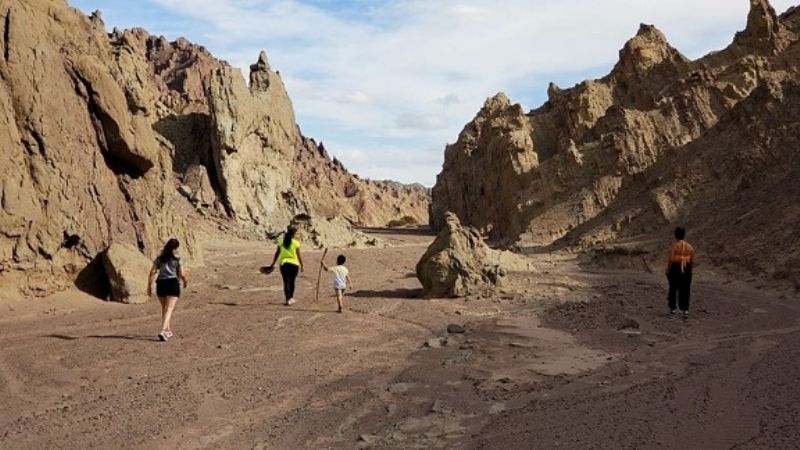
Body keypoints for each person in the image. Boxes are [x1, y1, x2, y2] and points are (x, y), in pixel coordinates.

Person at [147, 238, 188, 341]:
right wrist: (185, 282)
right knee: (169, 309)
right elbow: (182, 274)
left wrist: (149, 286)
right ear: (175, 248)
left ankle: (168, 330)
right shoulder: (177, 259)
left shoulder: (159, 259)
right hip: (172, 283)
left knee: (165, 309)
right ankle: (163, 331)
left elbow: (152, 272)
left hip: (161, 284)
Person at [267, 226, 304, 305]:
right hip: (294, 264)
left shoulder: (281, 241)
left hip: (284, 264)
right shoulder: (296, 243)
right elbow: (298, 255)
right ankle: (291, 298)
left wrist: (273, 264)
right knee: (292, 282)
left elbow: (277, 254)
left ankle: (287, 299)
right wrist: (302, 265)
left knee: (286, 281)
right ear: (293, 234)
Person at [665, 226, 695, 318]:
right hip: (686, 267)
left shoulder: (674, 246)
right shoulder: (689, 247)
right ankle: (685, 310)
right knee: (686, 288)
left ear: (675, 235)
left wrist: (668, 269)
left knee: (673, 288)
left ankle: (673, 308)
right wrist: (689, 269)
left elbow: (671, 259)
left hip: (675, 267)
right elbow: (692, 260)